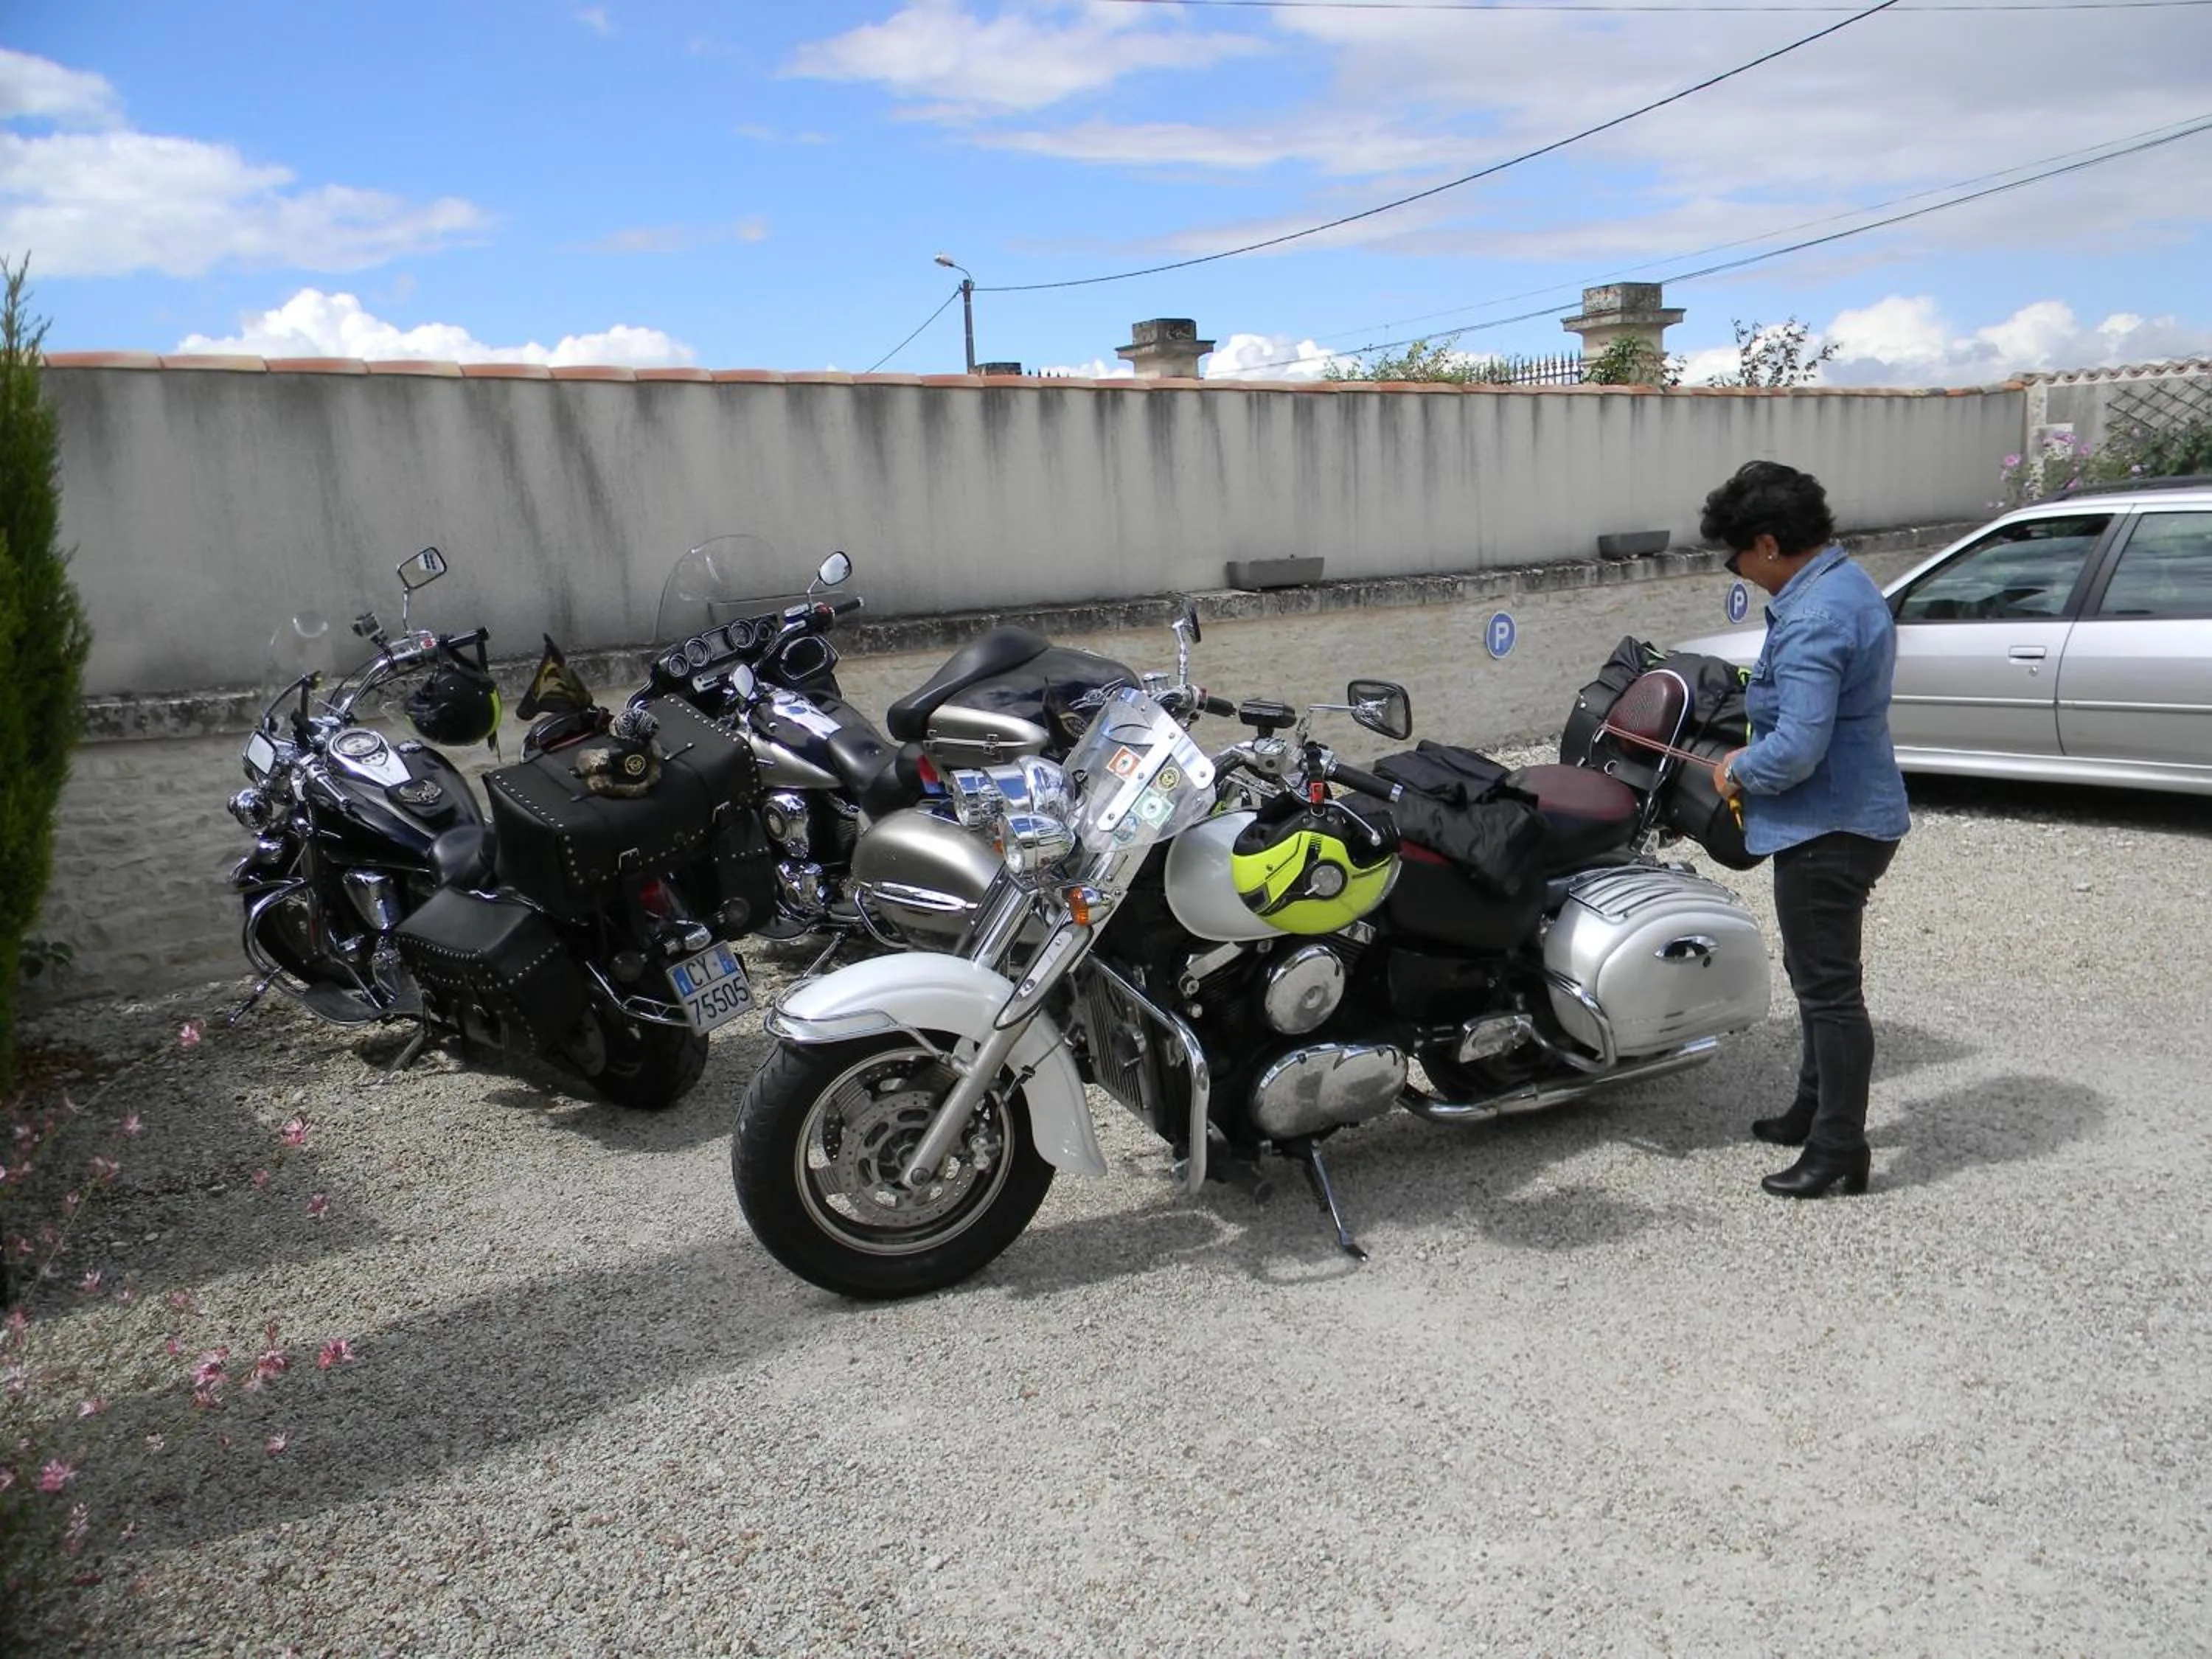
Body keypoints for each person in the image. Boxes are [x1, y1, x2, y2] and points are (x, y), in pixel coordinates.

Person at [1703, 460, 1910, 1199]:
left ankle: (1838, 1151)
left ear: (1765, 544)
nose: (1733, 570)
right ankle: (1812, 1108)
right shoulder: (1844, 583)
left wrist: (1737, 769)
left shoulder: (1818, 613)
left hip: (1830, 824)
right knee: (1814, 975)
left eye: (1732, 556)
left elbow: (1797, 747)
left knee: (1830, 992)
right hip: (1850, 814)